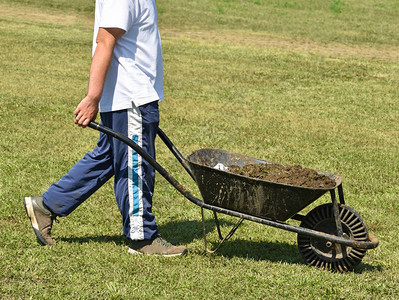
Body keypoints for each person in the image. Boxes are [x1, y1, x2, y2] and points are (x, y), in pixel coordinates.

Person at [23, 0, 187, 256]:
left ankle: (47, 206)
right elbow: (104, 42)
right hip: (131, 97)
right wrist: (93, 97)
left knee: (108, 158)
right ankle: (142, 236)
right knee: (136, 165)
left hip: (132, 96)